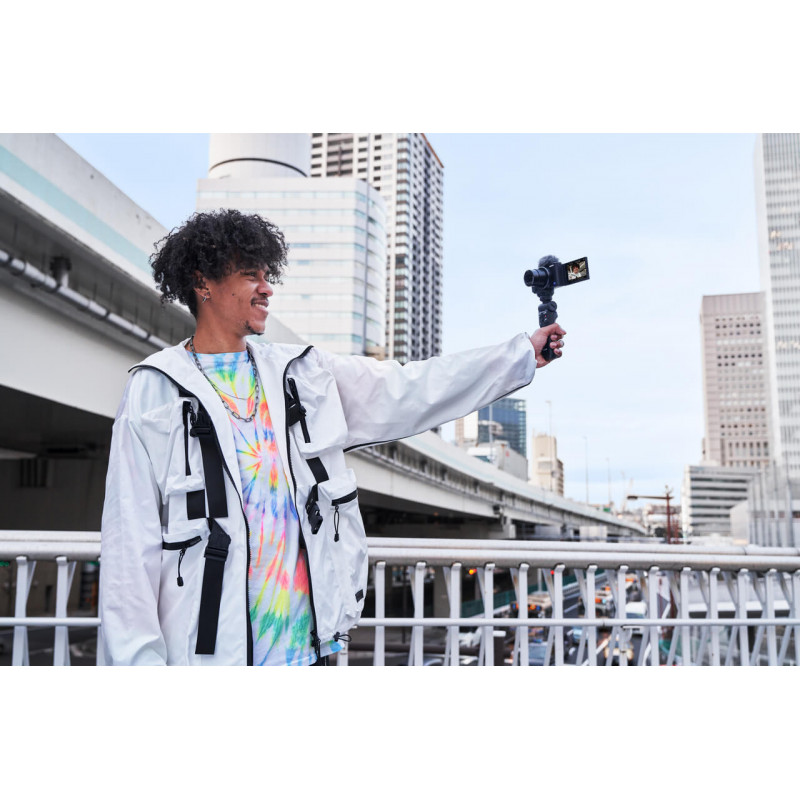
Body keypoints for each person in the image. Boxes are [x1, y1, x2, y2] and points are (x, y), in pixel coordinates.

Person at [99, 209, 566, 666]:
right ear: (203, 283)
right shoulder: (153, 392)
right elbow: (128, 550)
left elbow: (408, 387)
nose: (267, 287)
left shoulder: (301, 373)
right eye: (250, 275)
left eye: (267, 274)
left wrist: (520, 354)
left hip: (308, 655)